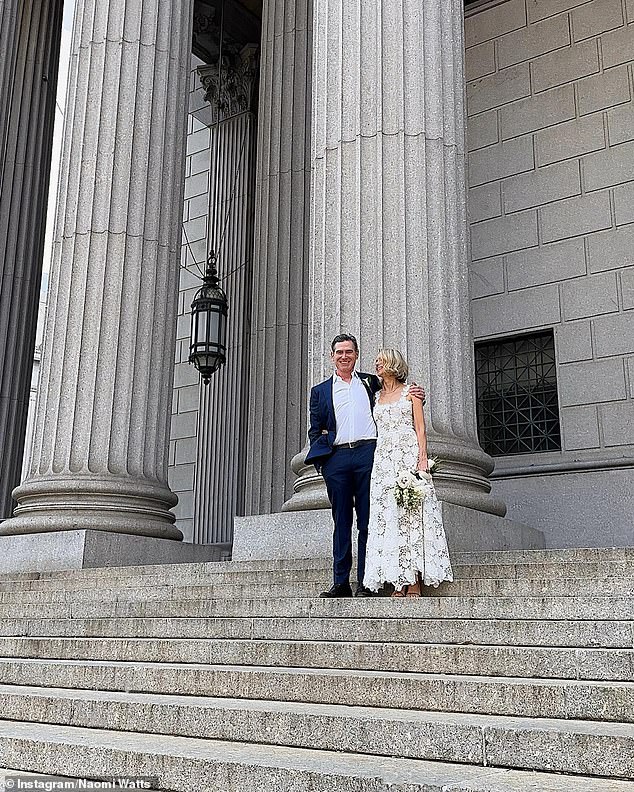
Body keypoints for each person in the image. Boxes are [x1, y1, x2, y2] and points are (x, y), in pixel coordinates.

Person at [305, 334, 424, 598]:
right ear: (332, 356)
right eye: (339, 352)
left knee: (369, 521)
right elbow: (314, 430)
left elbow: (398, 394)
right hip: (336, 459)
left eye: (349, 352)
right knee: (342, 521)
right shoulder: (320, 391)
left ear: (356, 355)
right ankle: (340, 583)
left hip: (369, 455)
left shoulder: (370, 382)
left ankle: (367, 582)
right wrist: (324, 463)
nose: (344, 356)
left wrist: (418, 395)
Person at [363, 348, 453, 596]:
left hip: (407, 453)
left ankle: (413, 579)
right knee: (389, 516)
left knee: (412, 514)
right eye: (376, 361)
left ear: (393, 364)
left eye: (381, 361)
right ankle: (397, 579)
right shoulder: (376, 395)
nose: (377, 364)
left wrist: (422, 459)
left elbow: (420, 429)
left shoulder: (411, 392)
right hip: (383, 460)